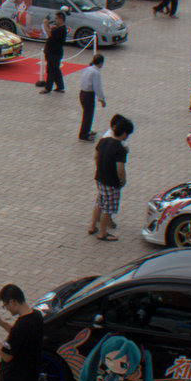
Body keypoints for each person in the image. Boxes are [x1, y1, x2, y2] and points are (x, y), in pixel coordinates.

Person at [90, 114, 133, 242]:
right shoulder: (120, 149)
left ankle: (93, 226)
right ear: (125, 133)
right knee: (108, 208)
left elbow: (96, 156)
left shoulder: (103, 141)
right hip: (111, 182)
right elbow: (120, 168)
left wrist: (100, 168)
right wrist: (123, 180)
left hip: (100, 177)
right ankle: (103, 232)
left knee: (99, 201)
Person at [77, 53, 106, 141]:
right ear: (100, 63)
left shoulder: (87, 68)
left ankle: (86, 130)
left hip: (82, 93)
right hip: (88, 95)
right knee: (88, 115)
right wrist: (101, 99)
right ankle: (83, 134)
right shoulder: (96, 72)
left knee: (86, 113)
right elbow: (97, 87)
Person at [36, 13, 67, 93]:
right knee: (56, 70)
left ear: (61, 19)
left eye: (56, 18)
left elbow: (49, 34)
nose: (55, 20)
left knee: (51, 71)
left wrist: (45, 24)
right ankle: (60, 86)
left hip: (54, 53)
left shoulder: (61, 30)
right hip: (52, 52)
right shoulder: (57, 28)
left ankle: (47, 88)